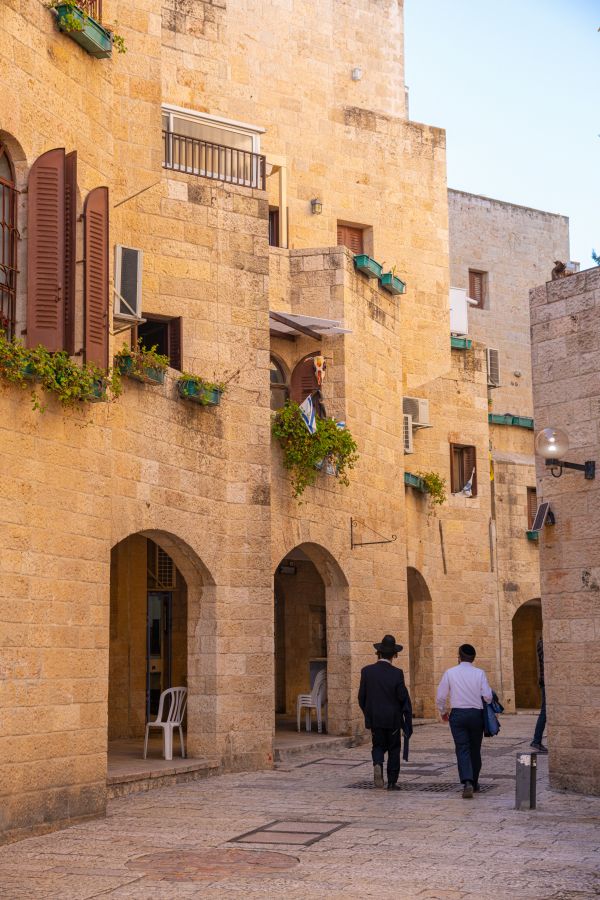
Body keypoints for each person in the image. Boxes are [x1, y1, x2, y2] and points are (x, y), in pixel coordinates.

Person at [436, 643, 493, 799]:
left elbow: (441, 696)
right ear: (473, 658)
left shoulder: (450, 672)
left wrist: (443, 712)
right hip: (476, 715)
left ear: (459, 657)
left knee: (462, 748)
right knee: (475, 748)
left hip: (458, 715)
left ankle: (467, 781)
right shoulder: (479, 673)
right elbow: (488, 696)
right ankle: (474, 782)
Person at [358, 634, 412, 791]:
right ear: (395, 655)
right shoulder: (397, 673)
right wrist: (406, 719)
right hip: (393, 719)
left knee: (378, 745)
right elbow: (403, 698)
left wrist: (368, 713)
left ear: (378, 653)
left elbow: (361, 697)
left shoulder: (367, 671)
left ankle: (377, 763)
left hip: (375, 718)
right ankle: (392, 782)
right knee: (394, 749)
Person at [530, 637, 547, 753]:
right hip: (546, 683)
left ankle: (537, 740)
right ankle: (536, 740)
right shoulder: (543, 643)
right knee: (545, 712)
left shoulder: (542, 642)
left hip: (544, 682)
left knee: (545, 712)